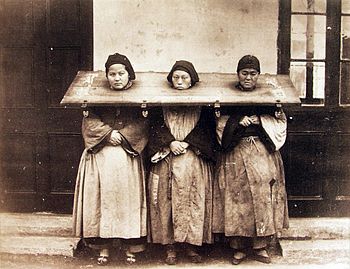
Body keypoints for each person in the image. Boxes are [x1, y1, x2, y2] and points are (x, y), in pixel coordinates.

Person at [72, 53, 149, 266]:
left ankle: (130, 247)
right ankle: (102, 247)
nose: (116, 78)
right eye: (112, 74)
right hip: (100, 157)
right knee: (102, 201)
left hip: (127, 158)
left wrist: (122, 136)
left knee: (126, 202)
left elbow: (143, 125)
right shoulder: (95, 100)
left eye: (121, 73)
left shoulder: (139, 100)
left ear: (129, 76)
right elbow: (89, 123)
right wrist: (108, 134)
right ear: (107, 77)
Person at [213, 55, 289, 265]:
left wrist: (260, 120)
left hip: (261, 152)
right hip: (236, 152)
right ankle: (238, 247)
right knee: (236, 197)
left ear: (258, 75)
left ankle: (260, 245)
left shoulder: (269, 98)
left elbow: (279, 120)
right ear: (238, 74)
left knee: (262, 196)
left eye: (253, 74)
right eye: (244, 73)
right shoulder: (227, 98)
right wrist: (238, 120)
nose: (248, 77)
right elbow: (219, 121)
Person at [147, 60, 216, 265]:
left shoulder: (204, 107)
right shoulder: (160, 105)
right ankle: (170, 247)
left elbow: (207, 129)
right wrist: (170, 142)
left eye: (184, 78)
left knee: (192, 202)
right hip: (167, 158)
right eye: (176, 77)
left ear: (192, 81)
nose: (179, 81)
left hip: (193, 159)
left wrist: (188, 143)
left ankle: (191, 246)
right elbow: (153, 127)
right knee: (167, 202)